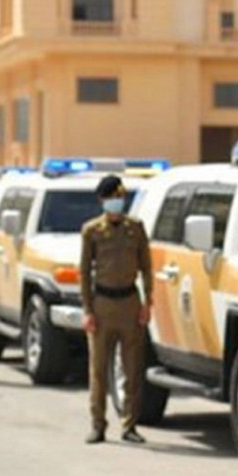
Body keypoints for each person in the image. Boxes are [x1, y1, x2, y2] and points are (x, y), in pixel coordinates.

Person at [79, 174, 152, 445]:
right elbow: (85, 272)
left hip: (130, 302)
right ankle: (98, 424)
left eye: (120, 198)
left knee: (132, 368)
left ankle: (130, 425)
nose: (116, 203)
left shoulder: (136, 228)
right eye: (111, 198)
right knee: (98, 369)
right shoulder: (92, 231)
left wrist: (148, 302)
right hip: (103, 304)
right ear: (102, 200)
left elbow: (146, 267)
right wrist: (87, 309)